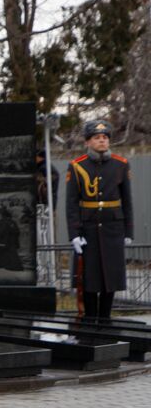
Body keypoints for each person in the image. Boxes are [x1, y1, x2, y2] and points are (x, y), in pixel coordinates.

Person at [66, 120, 133, 319]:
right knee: (88, 279)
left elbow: (127, 200)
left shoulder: (121, 164)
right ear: (88, 142)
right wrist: (74, 234)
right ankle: (89, 320)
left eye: (105, 138)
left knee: (109, 278)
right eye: (97, 138)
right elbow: (71, 203)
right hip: (88, 229)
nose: (102, 141)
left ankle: (105, 319)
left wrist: (129, 231)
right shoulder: (77, 166)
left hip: (113, 228)